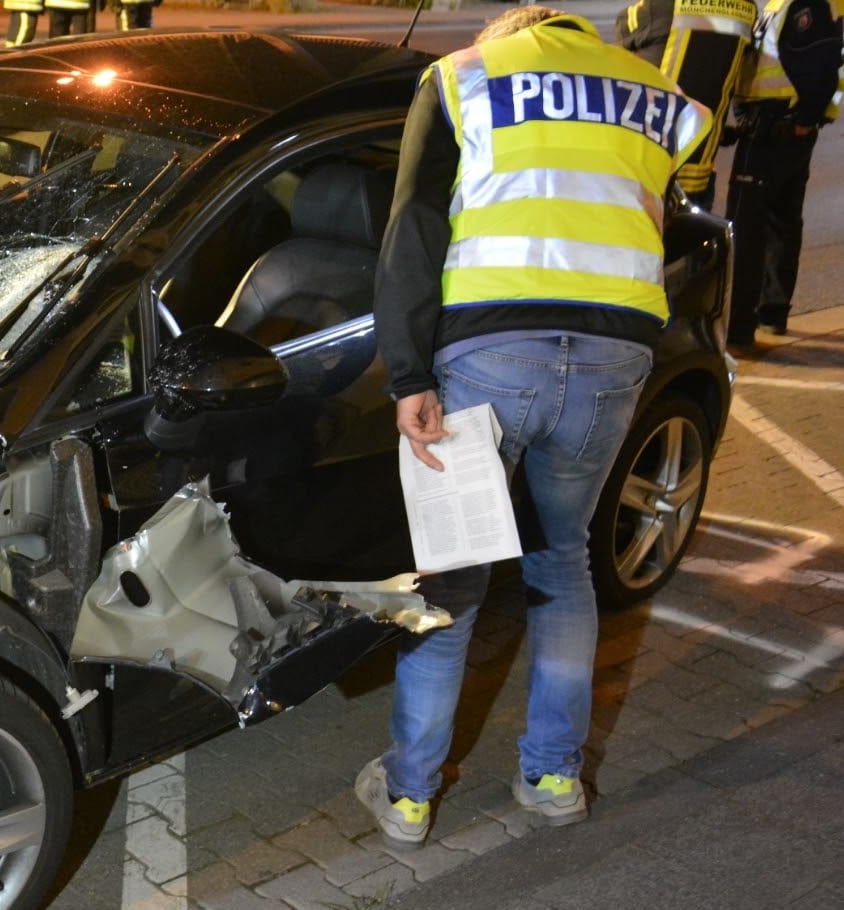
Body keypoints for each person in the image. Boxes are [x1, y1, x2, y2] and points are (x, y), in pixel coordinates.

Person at [360, 6, 709, 851]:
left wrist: (408, 375)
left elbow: (414, 225)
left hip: (490, 354)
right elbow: (668, 214)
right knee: (565, 560)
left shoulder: (465, 76)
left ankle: (409, 794)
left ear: (505, 32)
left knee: (454, 579)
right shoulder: (660, 94)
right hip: (612, 357)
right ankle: (553, 778)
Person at [723, 0, 842, 346]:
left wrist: (804, 119)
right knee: (781, 222)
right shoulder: (783, 3)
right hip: (776, 126)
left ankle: (740, 325)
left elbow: (823, 60)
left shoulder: (808, 3)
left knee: (746, 227)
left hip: (777, 128)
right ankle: (771, 313)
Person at [615, 0, 759, 208]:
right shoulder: (747, 8)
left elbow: (623, 29)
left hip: (650, 169)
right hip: (698, 170)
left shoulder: (659, 7)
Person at [4, 0, 93, 45]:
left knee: (22, 33)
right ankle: (11, 59)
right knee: (23, 33)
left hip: (51, 4)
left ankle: (10, 60)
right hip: (25, 4)